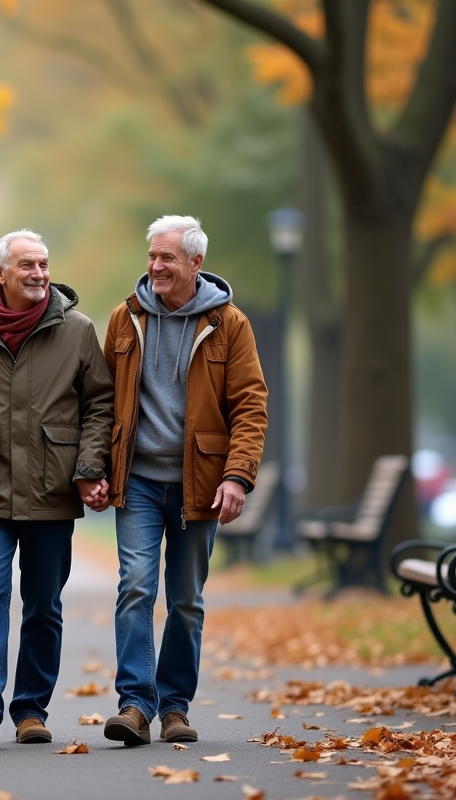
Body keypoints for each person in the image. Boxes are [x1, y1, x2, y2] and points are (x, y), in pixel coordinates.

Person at [0, 229, 114, 748]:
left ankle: (31, 709)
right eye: (27, 265)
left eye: (43, 264)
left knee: (44, 602)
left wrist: (90, 465)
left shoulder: (76, 330)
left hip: (53, 487)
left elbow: (100, 404)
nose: (38, 273)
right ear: (0, 274)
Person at [101, 215, 267, 747]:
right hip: (142, 481)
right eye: (152, 256)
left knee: (186, 600)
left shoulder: (228, 323)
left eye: (167, 257)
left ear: (196, 262)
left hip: (200, 483)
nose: (155, 266)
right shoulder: (125, 320)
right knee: (135, 588)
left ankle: (174, 706)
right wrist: (95, 470)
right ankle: (134, 704)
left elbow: (250, 405)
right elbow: (101, 402)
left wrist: (238, 476)